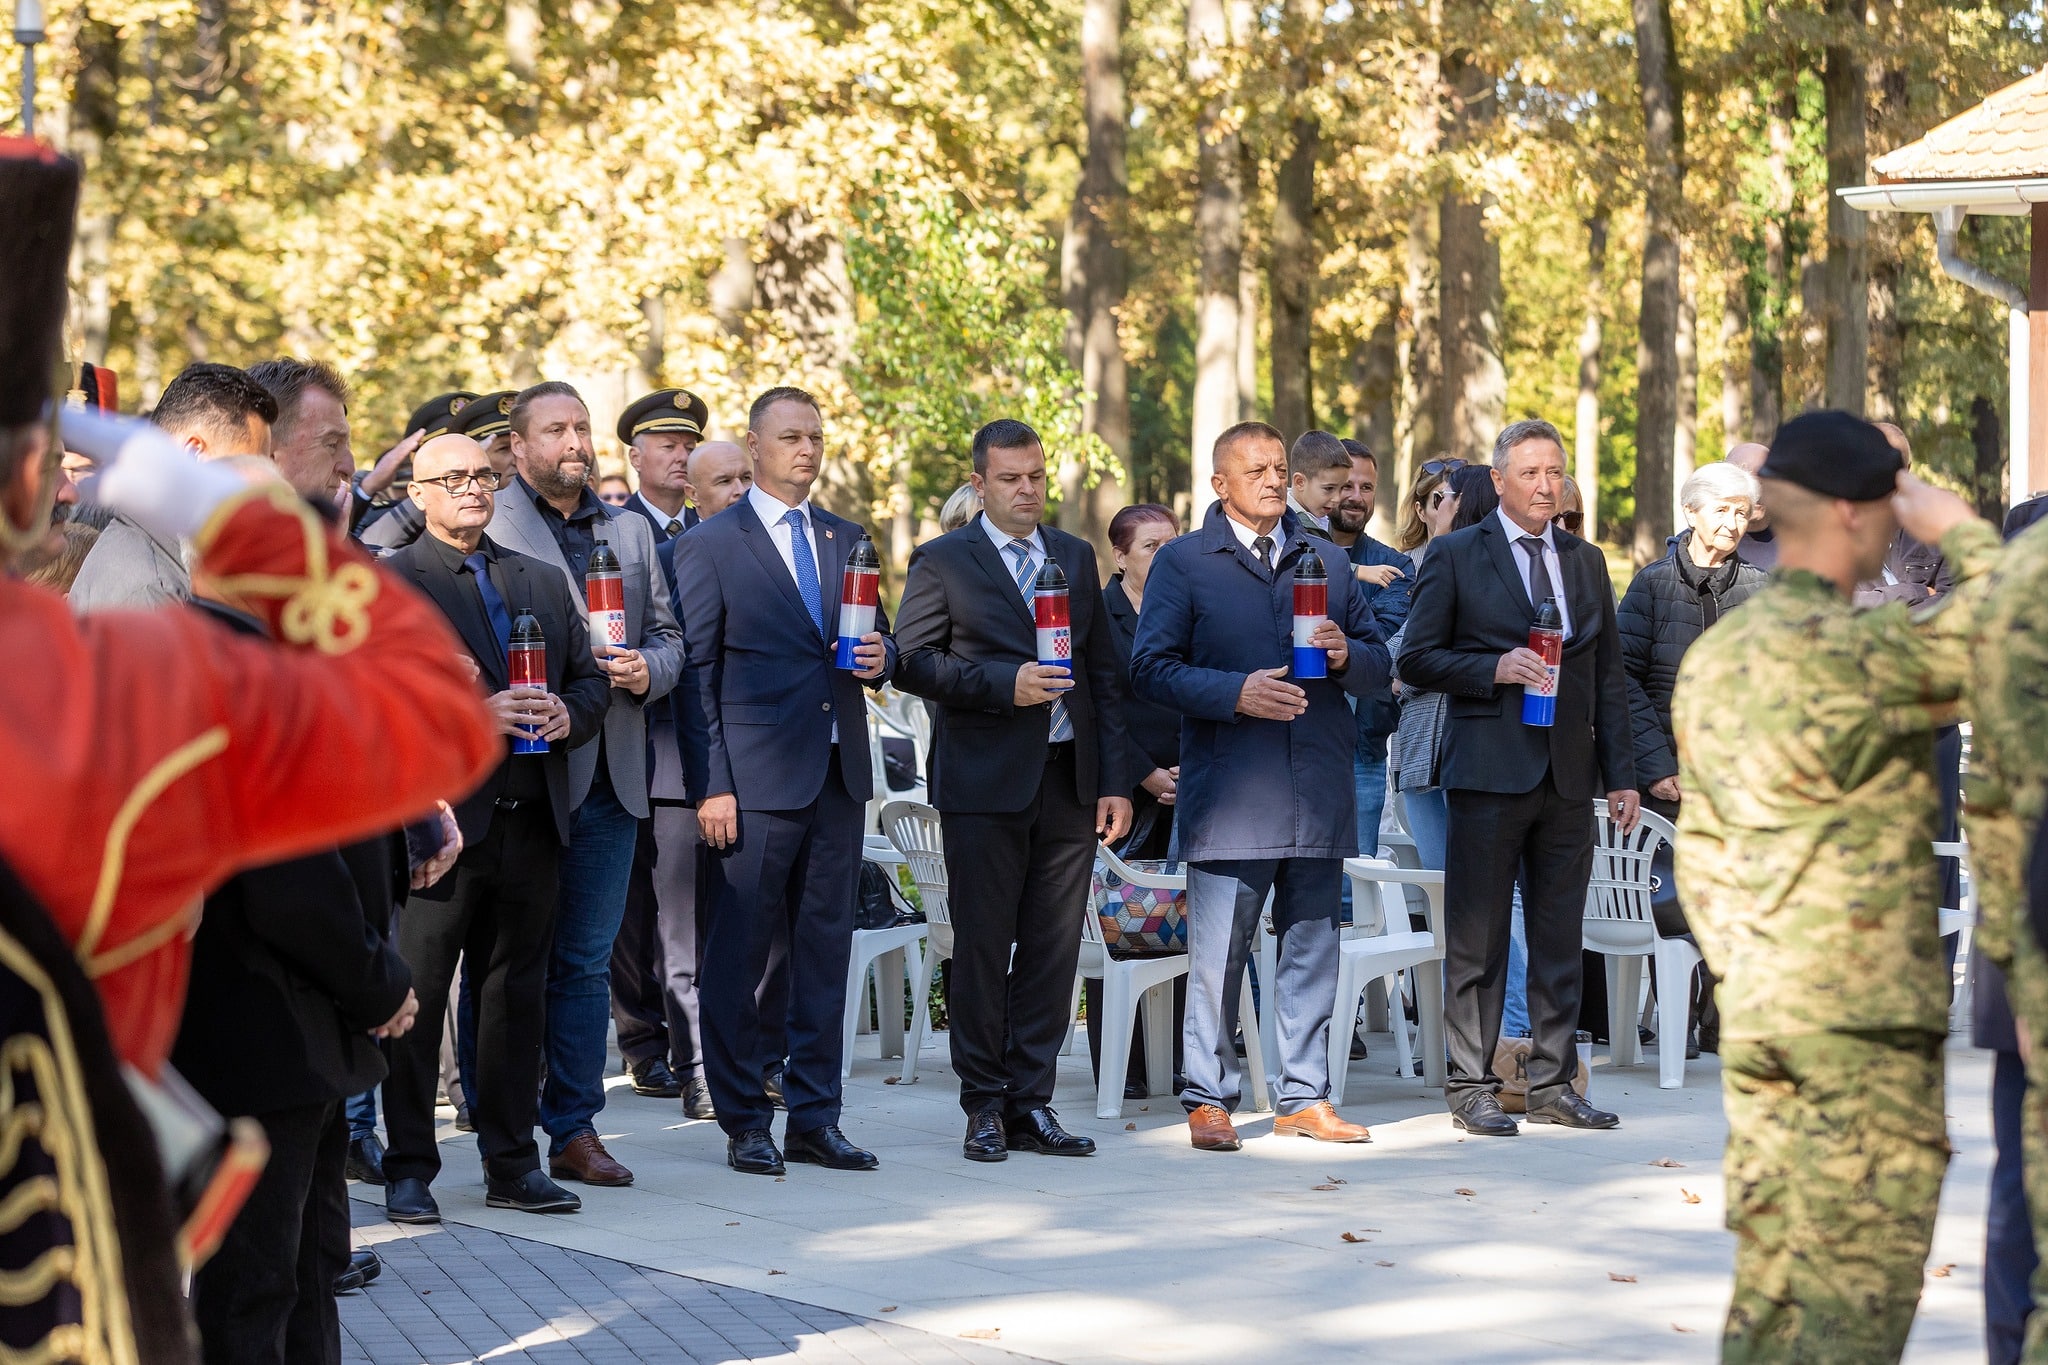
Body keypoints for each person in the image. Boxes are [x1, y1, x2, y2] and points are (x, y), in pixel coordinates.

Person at [1674, 411, 1999, 1360]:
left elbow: (1703, 848)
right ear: (1857, 516)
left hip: (1761, 1012)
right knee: (1855, 1298)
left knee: (1772, 1290)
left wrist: (1746, 977)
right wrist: (1963, 532)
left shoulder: (1717, 658)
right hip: (1861, 1030)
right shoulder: (1870, 653)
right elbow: (2021, 617)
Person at [1132, 420, 1388, 1152]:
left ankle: (1304, 1096)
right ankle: (1208, 1096)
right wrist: (1234, 693)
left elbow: (1381, 667)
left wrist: (1345, 655)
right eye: (1257, 471)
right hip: (1232, 794)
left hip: (1317, 786)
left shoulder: (1326, 560)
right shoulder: (1185, 561)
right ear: (1220, 485)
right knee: (1220, 956)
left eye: (1280, 468)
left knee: (1314, 950)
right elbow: (1149, 669)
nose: (1275, 480)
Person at [379, 432, 612, 1222]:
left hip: (533, 819)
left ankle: (512, 1163)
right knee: (418, 1000)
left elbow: (590, 680)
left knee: (516, 1000)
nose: (474, 488)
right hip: (440, 829)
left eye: (484, 475)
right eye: (454, 477)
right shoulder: (390, 585)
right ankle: (410, 1167)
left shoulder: (539, 577)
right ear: (418, 493)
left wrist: (569, 713)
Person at [674, 386, 894, 1177]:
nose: (807, 449)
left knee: (824, 954)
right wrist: (713, 784)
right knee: (739, 957)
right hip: (753, 782)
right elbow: (696, 674)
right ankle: (743, 1119)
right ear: (756, 447)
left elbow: (878, 636)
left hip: (837, 774)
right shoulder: (712, 543)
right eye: (792, 437)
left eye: (816, 437)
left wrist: (885, 656)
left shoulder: (845, 536)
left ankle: (815, 1116)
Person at [894, 418, 1128, 1161]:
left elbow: (1102, 675)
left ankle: (1032, 1102)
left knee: (1053, 953)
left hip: (1068, 781)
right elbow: (911, 661)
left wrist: (1114, 780)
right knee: (983, 946)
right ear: (979, 483)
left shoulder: (1073, 554)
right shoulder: (943, 560)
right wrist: (1005, 684)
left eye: (1036, 476)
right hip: (983, 783)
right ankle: (984, 1105)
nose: (1027, 490)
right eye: (1010, 479)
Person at [1399, 418, 1637, 1137]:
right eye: (1530, 472)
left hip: (1567, 775)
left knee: (1560, 936)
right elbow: (1416, 658)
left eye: (1554, 472)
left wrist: (1622, 775)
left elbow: (1608, 676)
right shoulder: (1457, 554)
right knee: (1479, 939)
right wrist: (1493, 668)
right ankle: (1471, 1085)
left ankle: (1553, 1083)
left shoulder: (1585, 560)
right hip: (1487, 770)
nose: (1545, 485)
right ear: (1498, 480)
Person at [486, 381, 684, 1189]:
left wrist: (648, 669)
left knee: (584, 963)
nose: (574, 442)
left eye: (581, 427)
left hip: (612, 775)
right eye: (555, 430)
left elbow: (670, 636)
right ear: (519, 445)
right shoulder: (489, 522)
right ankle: (497, 1126)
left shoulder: (630, 529)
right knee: (505, 960)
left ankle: (573, 1126)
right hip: (525, 775)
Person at [1615, 460, 1766, 1056]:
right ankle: (1674, 1013)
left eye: (1742, 512)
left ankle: (1721, 1014)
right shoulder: (1652, 585)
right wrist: (1657, 766)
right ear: (1691, 511)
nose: (1732, 522)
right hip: (1667, 777)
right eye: (1722, 509)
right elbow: (1622, 681)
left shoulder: (1761, 589)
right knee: (1669, 900)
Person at [1086, 502, 1183, 1099]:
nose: (1166, 555)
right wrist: (1143, 773)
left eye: (1173, 543)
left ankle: (1176, 1058)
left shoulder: (1188, 608)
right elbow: (1096, 707)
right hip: (1123, 790)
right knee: (1120, 929)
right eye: (1152, 546)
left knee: (1183, 925)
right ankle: (1123, 1066)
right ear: (1120, 556)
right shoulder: (1100, 614)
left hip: (1189, 786)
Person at [70, 361, 276, 613]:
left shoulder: (159, 556)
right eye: (252, 464)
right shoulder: (150, 588)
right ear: (193, 452)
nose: (263, 485)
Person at [1327, 439, 1412, 883]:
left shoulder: (1395, 566)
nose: (1356, 497)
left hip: (1364, 743)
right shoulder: (1286, 553)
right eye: (1346, 485)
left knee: (1355, 883)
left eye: (1367, 487)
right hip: (1292, 741)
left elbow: (1377, 641)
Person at [619, 388, 707, 539]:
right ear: (635, 458)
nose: (683, 457)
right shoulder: (616, 528)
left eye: (690, 448)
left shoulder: (707, 525)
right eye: (669, 447)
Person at [1285, 429, 1350, 536]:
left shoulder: (1327, 520)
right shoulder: (1284, 525)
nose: (1337, 499)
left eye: (1343, 488)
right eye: (1329, 488)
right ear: (1300, 482)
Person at [1726, 442, 1777, 571]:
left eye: (1762, 481)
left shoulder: (1803, 542)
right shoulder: (1694, 545)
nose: (1755, 492)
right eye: (1744, 481)